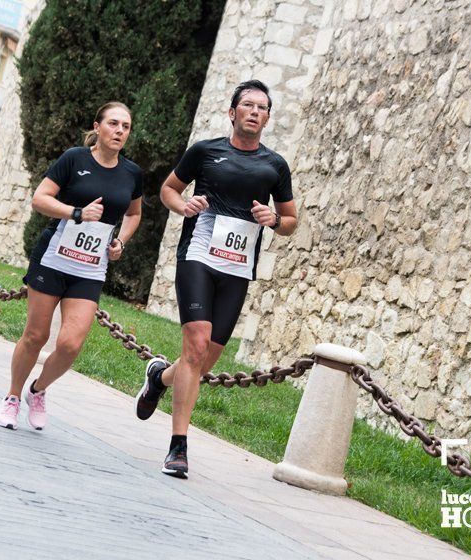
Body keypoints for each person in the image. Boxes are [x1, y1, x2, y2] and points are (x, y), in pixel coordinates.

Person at [134, 80, 298, 479]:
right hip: (199, 256)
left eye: (262, 107)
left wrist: (274, 220)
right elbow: (168, 190)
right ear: (232, 112)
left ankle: (159, 377)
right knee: (194, 344)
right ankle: (178, 448)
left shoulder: (275, 165)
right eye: (247, 105)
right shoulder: (206, 152)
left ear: (268, 118)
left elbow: (291, 221)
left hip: (238, 267)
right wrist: (184, 206)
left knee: (203, 360)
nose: (254, 111)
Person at [0, 101, 142, 431]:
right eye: (114, 124)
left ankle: (38, 390)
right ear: (98, 127)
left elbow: (133, 214)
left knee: (71, 344)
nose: (120, 131)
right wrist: (75, 213)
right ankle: (12, 397)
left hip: (90, 267)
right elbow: (40, 198)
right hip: (54, 258)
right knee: (35, 336)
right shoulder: (74, 159)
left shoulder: (132, 173)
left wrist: (121, 240)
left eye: (126, 127)